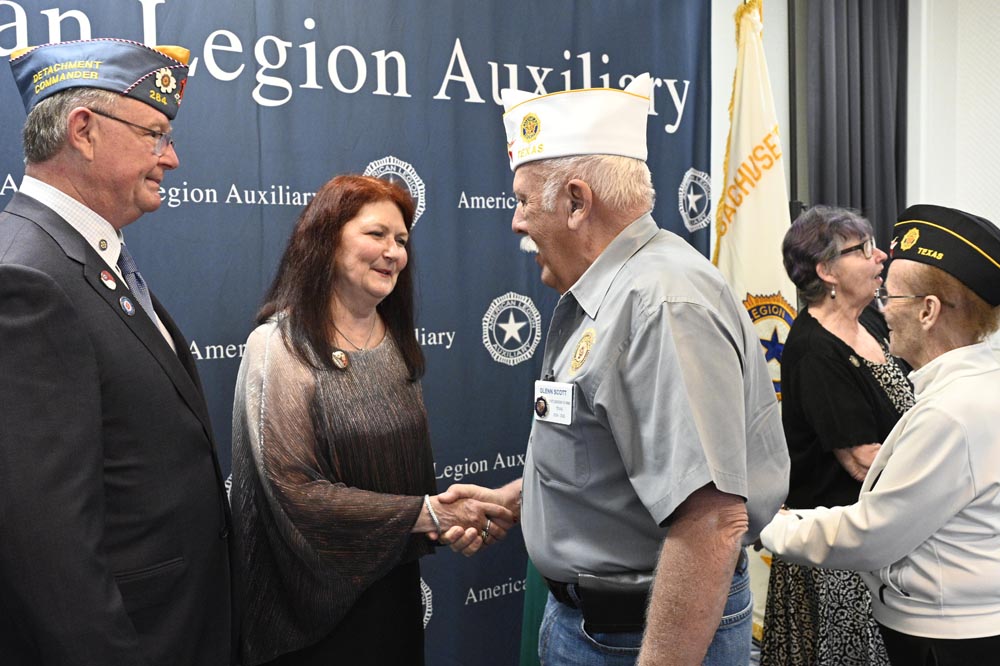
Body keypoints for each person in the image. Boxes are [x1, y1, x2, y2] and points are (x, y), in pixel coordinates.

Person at [441, 73, 790, 665]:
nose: (516, 221)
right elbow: (624, 459)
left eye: (524, 200)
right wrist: (525, 498)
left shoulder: (661, 306)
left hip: (637, 639)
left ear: (578, 202)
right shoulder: (614, 291)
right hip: (597, 629)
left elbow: (710, 520)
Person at [0, 40, 232, 665]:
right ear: (84, 131)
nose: (172, 157)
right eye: (155, 134)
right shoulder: (26, 278)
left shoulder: (82, 257)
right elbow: (46, 547)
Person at [230, 174, 515, 666]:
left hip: (392, 595)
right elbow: (293, 493)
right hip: (308, 616)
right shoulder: (279, 345)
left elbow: (404, 484)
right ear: (326, 239)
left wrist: (444, 522)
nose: (393, 252)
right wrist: (433, 515)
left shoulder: (395, 340)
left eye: (401, 240)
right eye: (376, 234)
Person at [762, 204, 1000, 666]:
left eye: (892, 297)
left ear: (928, 311)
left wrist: (767, 523)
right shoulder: (976, 384)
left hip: (945, 634)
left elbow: (871, 535)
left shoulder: (950, 412)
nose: (884, 308)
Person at [760, 207, 913, 665]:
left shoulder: (870, 323)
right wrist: (937, 464)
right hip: (835, 557)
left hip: (878, 542)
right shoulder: (815, 349)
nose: (880, 256)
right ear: (827, 271)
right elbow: (864, 462)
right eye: (863, 249)